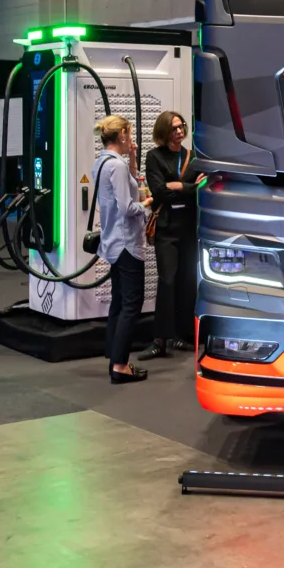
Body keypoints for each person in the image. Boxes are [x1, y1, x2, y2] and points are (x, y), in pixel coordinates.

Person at [139, 111, 204, 361]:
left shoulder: (192, 157)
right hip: (166, 228)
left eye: (181, 126)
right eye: (174, 128)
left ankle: (182, 335)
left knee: (187, 281)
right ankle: (160, 339)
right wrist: (188, 188)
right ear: (164, 132)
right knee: (167, 280)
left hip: (188, 226)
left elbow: (201, 188)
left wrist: (179, 186)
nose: (179, 131)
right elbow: (158, 191)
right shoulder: (154, 157)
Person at [94, 115, 153, 384]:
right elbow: (128, 207)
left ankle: (115, 358)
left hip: (113, 241)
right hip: (126, 242)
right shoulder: (115, 166)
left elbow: (128, 186)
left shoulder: (104, 162)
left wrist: (132, 160)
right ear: (122, 135)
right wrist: (147, 204)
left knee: (119, 303)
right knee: (131, 305)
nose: (131, 139)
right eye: (129, 134)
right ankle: (120, 365)